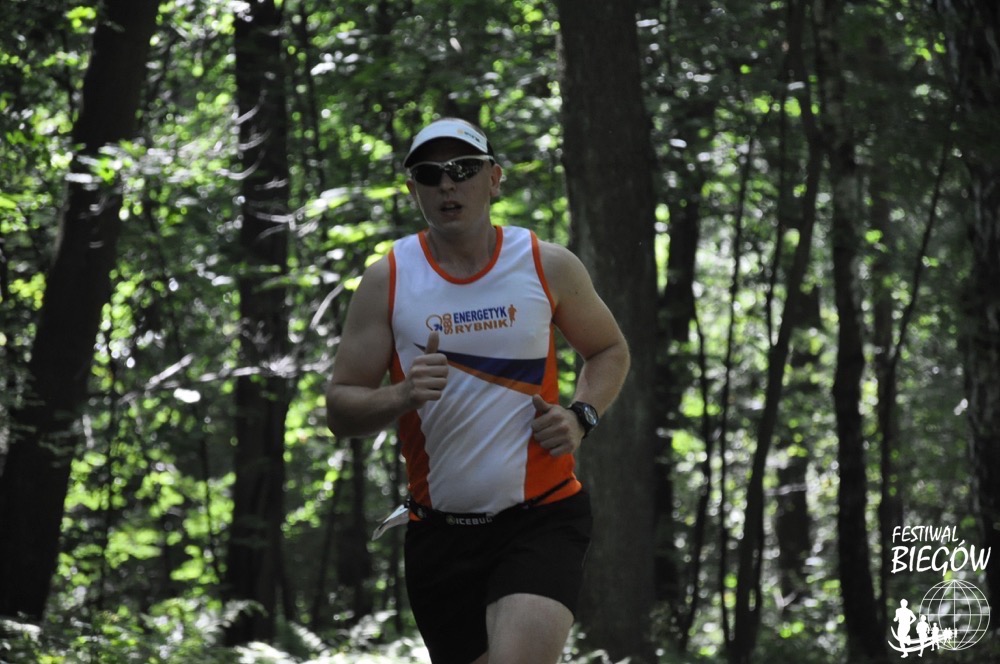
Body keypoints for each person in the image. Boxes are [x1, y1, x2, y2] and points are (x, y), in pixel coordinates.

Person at [325, 117, 629, 664]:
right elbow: (340, 408)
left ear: (494, 179)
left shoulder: (545, 263)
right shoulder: (388, 278)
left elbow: (608, 349)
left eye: (463, 169)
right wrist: (401, 396)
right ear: (413, 189)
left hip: (541, 519)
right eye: (429, 174)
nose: (447, 184)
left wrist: (581, 415)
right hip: (439, 535)